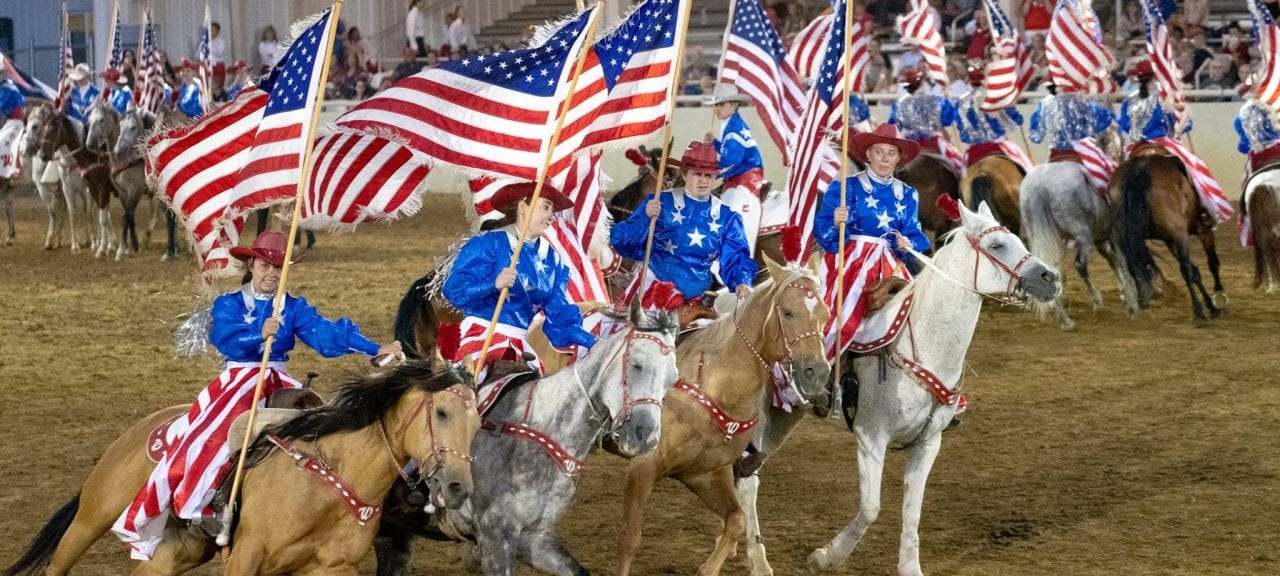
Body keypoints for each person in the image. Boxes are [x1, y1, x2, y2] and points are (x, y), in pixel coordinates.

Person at [111, 230, 400, 560]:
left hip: (280, 379)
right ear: (251, 264)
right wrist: (256, 335)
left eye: (279, 269)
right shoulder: (229, 303)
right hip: (239, 378)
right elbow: (223, 336)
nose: (272, 274)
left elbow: (326, 333)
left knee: (322, 428)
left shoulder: (293, 307)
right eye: (265, 266)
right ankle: (206, 504)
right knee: (215, 437)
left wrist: (373, 348)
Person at [443, 182, 597, 377]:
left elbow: (560, 320)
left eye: (553, 210)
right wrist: (493, 284)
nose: (551, 215)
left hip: (522, 344)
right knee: (465, 399)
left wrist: (596, 343)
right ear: (523, 207)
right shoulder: (489, 243)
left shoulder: (554, 260)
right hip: (482, 336)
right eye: (546, 207)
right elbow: (454, 291)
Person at [815, 123, 929, 362]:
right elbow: (824, 234)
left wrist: (906, 243)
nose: (884, 159)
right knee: (840, 322)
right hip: (851, 262)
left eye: (891, 153)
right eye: (879, 152)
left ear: (898, 158)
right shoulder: (845, 187)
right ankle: (822, 368)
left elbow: (914, 235)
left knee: (920, 316)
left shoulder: (907, 194)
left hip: (891, 264)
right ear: (868, 154)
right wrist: (835, 223)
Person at [610, 141, 757, 307]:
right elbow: (621, 242)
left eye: (708, 175)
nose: (703, 180)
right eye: (697, 174)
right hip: (653, 289)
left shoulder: (727, 216)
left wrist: (742, 280)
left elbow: (736, 255)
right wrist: (645, 217)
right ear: (685, 174)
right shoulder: (659, 202)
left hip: (698, 297)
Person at [1119, 59, 1232, 224]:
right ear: (1156, 77)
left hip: (1136, 145)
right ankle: (1204, 208)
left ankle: (1119, 212)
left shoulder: (1129, 100)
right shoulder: (1164, 99)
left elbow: (1125, 125)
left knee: (1118, 170)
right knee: (1195, 166)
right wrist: (1185, 124)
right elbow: (1173, 125)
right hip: (1162, 141)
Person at [703, 84, 766, 253]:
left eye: (721, 104)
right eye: (715, 105)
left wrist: (707, 175)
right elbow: (730, 152)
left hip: (744, 180)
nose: (717, 108)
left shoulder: (734, 129)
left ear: (734, 105)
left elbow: (731, 161)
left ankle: (738, 256)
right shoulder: (732, 125)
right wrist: (715, 143)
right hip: (738, 177)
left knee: (730, 211)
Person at [953, 66, 1033, 172]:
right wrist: (1014, 111)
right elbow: (1014, 123)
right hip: (998, 146)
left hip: (973, 151)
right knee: (1028, 169)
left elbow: (960, 129)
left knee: (960, 178)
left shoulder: (961, 102)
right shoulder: (995, 98)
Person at [887, 67, 961, 172]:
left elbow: (892, 126)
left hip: (910, 146)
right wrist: (948, 102)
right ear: (921, 82)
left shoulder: (898, 104)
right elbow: (947, 121)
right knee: (959, 165)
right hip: (934, 143)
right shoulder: (936, 101)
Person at [0, 58, 26, 180]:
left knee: (3, 140)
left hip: (15, 120)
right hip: (5, 119)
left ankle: (12, 169)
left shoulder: (8, 87)